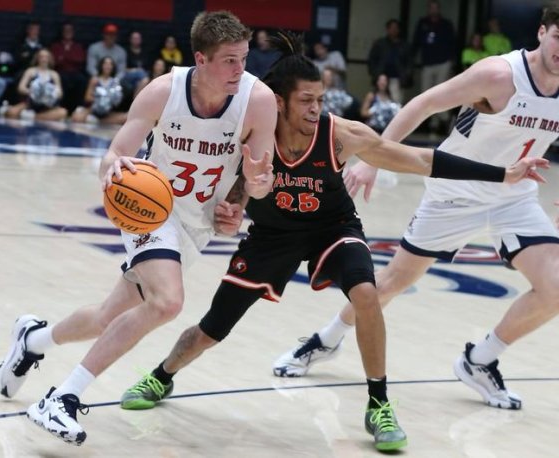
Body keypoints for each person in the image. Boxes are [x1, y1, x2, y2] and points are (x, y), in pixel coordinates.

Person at [117, 31, 544, 452]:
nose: (316, 108)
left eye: (320, 99)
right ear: (278, 102)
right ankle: (162, 374)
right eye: (306, 100)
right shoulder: (248, 132)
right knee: (213, 327)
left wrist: (502, 174)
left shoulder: (338, 133)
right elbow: (230, 190)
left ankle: (379, 404)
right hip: (272, 236)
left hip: (333, 229)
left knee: (367, 293)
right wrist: (231, 209)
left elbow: (418, 158)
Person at [0, 11, 277, 446]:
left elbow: (257, 181)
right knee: (168, 302)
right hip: (151, 208)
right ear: (201, 59)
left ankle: (34, 339)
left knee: (107, 317)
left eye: (244, 59)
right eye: (229, 61)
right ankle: (63, 398)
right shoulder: (163, 92)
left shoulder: (258, 100)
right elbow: (112, 157)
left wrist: (243, 199)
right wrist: (113, 168)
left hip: (197, 222)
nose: (240, 70)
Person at [275, 5, 559, 412]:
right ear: (542, 32)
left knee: (555, 287)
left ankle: (480, 360)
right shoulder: (498, 74)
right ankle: (327, 339)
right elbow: (424, 104)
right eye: (558, 38)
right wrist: (375, 157)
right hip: (455, 193)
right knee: (390, 283)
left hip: (514, 196)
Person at [412, 0, 456, 133]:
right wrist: (412, 61)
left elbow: (453, 42)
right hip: (427, 62)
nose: (433, 10)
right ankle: (440, 120)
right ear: (428, 9)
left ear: (439, 9)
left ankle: (439, 122)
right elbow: (416, 42)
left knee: (440, 93)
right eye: (431, 8)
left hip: (443, 62)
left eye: (435, 8)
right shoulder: (423, 23)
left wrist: (452, 61)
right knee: (426, 94)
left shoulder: (446, 24)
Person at [2, 49, 67, 122]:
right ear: (37, 58)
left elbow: (60, 93)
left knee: (63, 112)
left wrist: (51, 94)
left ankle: (34, 117)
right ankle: (37, 117)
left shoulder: (54, 74)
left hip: (48, 105)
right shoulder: (30, 71)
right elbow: (21, 88)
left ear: (50, 59)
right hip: (31, 103)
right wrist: (32, 92)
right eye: (41, 57)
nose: (44, 59)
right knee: (11, 112)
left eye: (46, 57)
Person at [70, 56, 127, 124]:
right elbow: (87, 98)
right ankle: (96, 120)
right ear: (101, 65)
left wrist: (110, 100)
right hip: (94, 109)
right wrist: (100, 99)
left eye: (110, 64)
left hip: (108, 111)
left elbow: (118, 101)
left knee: (125, 118)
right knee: (77, 117)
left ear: (113, 67)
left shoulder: (115, 82)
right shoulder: (95, 79)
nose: (108, 66)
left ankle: (99, 121)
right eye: (105, 64)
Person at [367, 19, 413, 104]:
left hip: (398, 78)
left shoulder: (404, 45)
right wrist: (375, 73)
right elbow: (372, 59)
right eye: (392, 28)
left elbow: (409, 62)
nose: (394, 30)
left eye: (396, 28)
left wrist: (406, 75)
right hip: (382, 77)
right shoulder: (380, 43)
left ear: (399, 30)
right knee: (379, 102)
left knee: (396, 102)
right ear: (387, 29)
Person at [50, 22, 87, 113]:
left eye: (70, 30)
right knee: (61, 79)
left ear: (73, 32)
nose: (68, 32)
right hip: (60, 72)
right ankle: (59, 106)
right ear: (62, 32)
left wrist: (64, 57)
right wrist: (70, 58)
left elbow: (80, 59)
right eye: (66, 30)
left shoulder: (78, 46)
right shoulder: (56, 46)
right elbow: (55, 61)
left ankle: (79, 107)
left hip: (75, 72)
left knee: (81, 79)